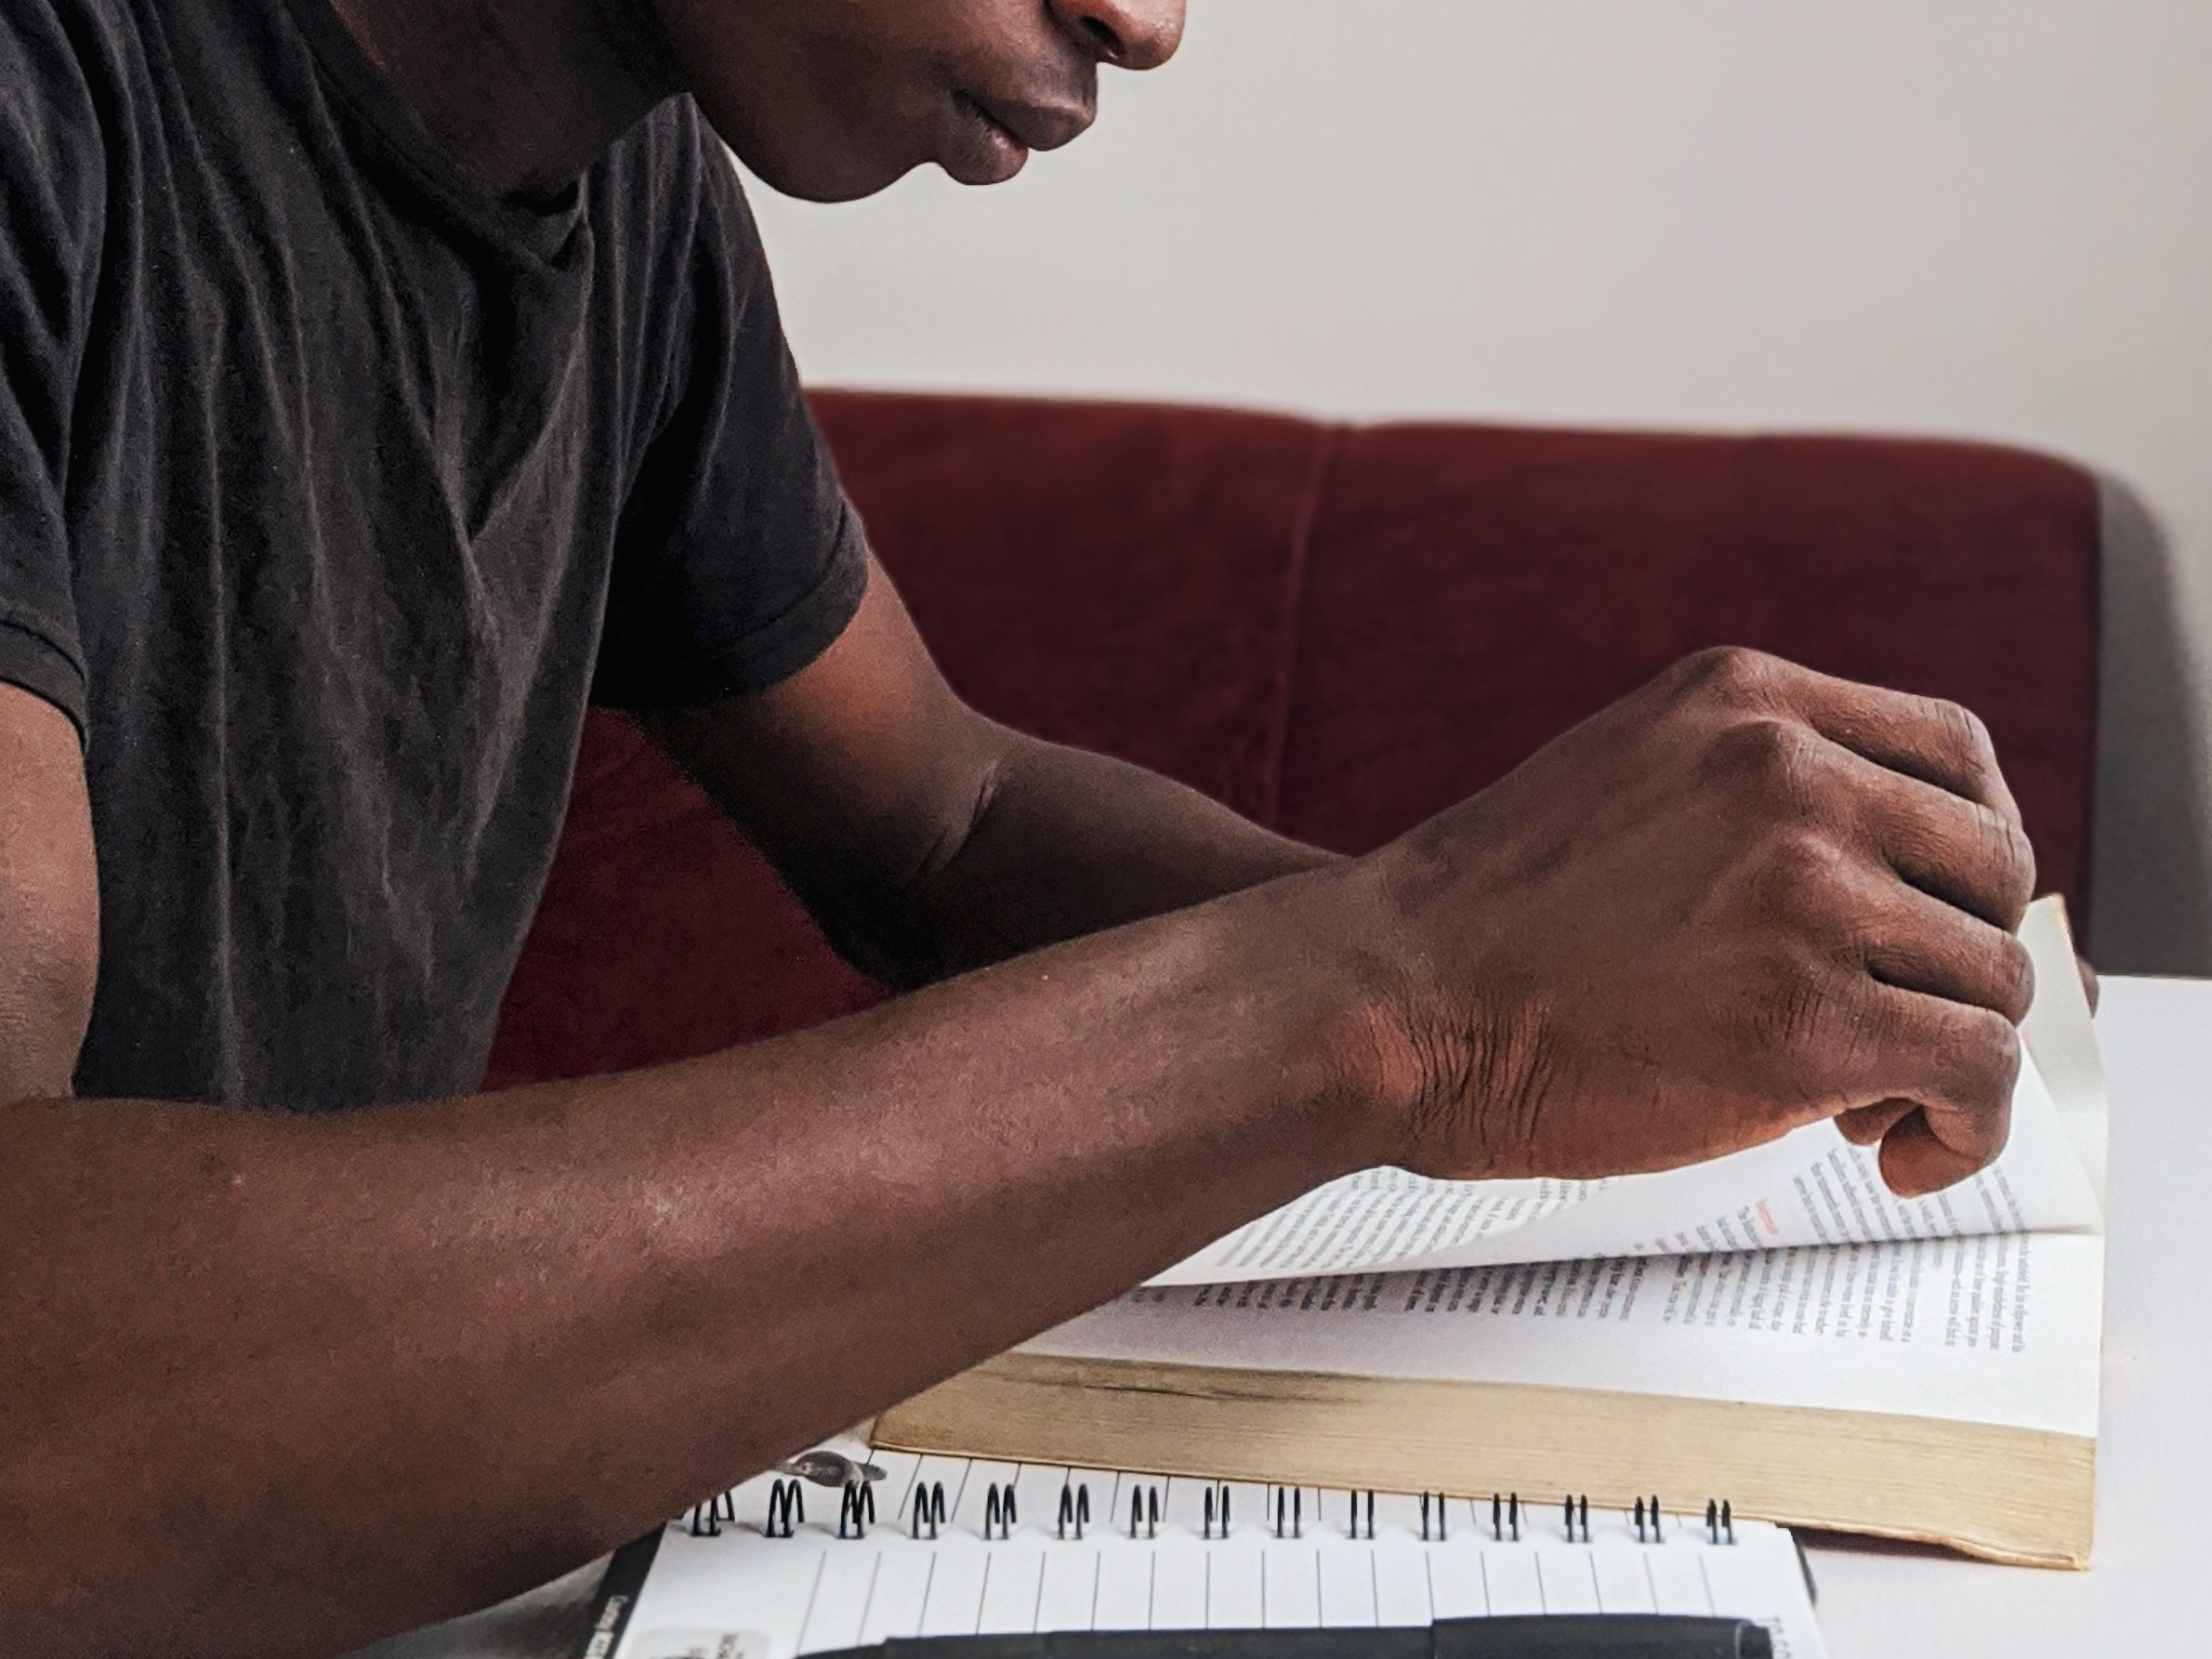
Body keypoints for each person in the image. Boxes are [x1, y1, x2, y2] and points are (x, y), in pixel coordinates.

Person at [0, 2, 2053, 1655]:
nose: (1144, 23)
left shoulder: (628, 203)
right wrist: (1402, 992)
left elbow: (942, 821)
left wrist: (1574, 977)